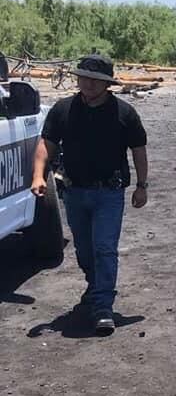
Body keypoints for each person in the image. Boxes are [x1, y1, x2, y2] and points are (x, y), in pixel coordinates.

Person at [31, 54, 149, 336]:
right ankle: (96, 287)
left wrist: (142, 185)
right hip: (74, 192)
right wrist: (38, 175)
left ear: (107, 84)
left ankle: (103, 307)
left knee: (105, 248)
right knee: (84, 250)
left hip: (109, 193)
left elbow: (139, 150)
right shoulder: (62, 110)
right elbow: (46, 144)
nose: (89, 84)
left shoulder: (125, 113)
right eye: (84, 78)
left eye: (96, 80)